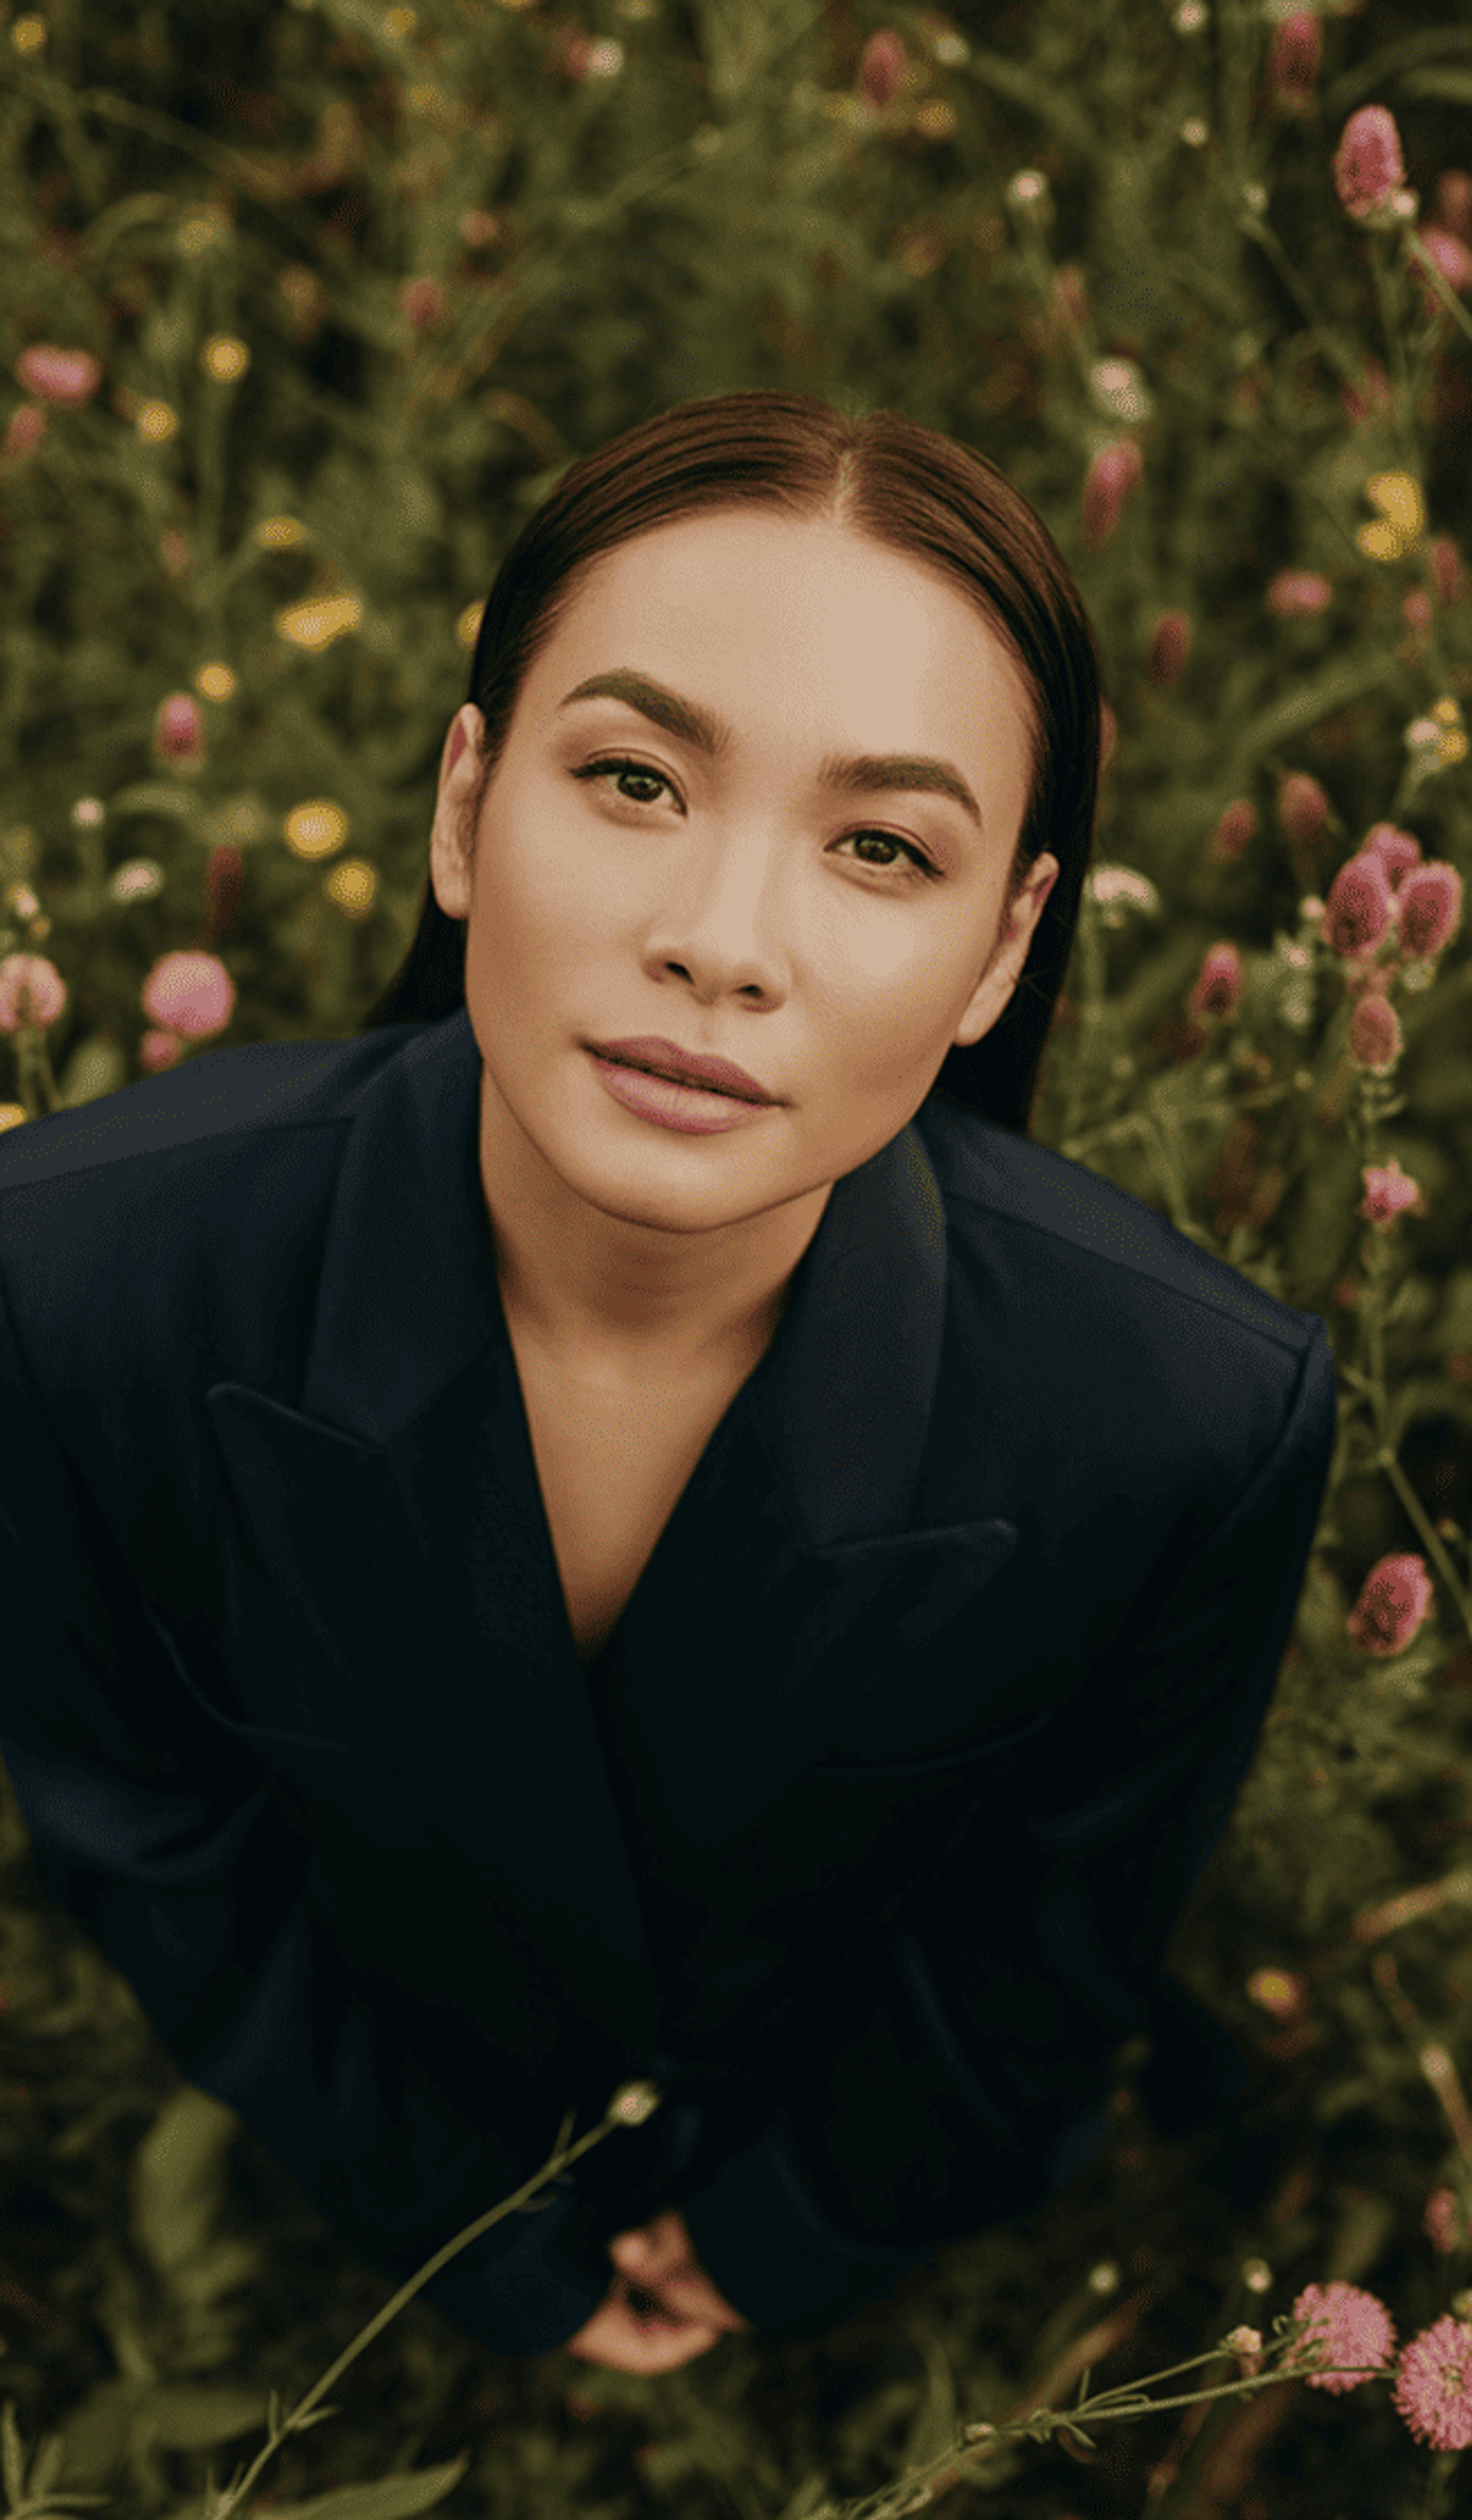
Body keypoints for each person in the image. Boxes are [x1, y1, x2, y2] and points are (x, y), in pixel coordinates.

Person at [0, 390, 1337, 2373]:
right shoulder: (70, 1273)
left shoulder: (1183, 1419)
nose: (720, 944)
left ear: (1001, 949)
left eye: (882, 847)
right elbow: (156, 1848)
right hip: (362, 2209)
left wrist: (783, 2234)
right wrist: (474, 2238)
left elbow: (1052, 1943)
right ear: (463, 806)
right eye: (633, 781)